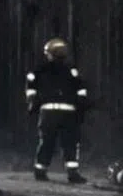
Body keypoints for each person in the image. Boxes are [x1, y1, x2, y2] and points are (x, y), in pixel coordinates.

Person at [26, 38, 89, 184]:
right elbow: (81, 91)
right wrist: (81, 108)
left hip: (48, 113)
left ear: (49, 53)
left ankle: (40, 171)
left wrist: (32, 105)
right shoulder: (71, 70)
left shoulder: (39, 70)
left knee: (47, 142)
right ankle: (73, 174)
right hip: (68, 113)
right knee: (70, 143)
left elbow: (31, 88)